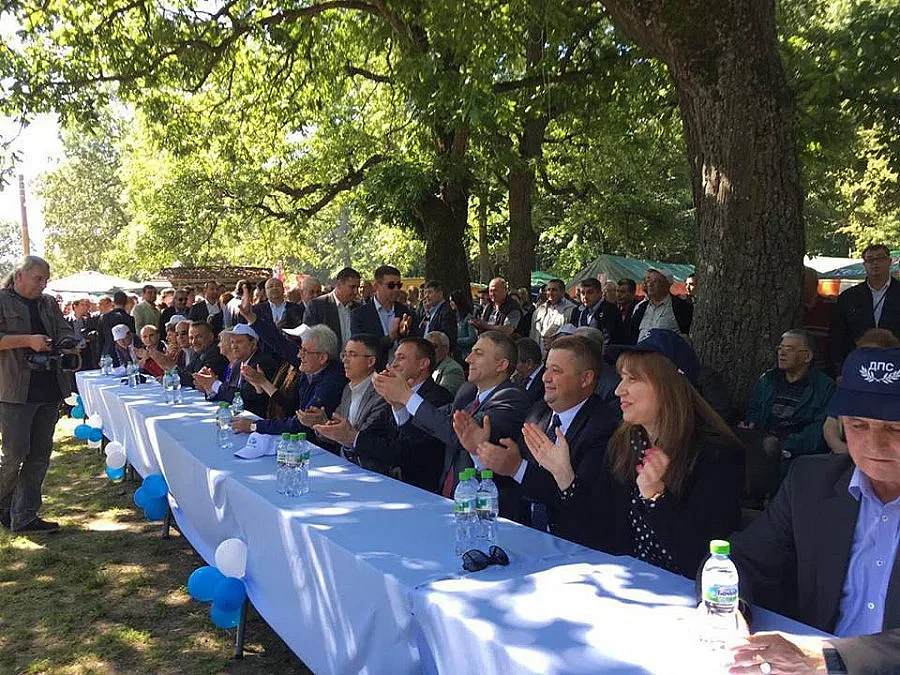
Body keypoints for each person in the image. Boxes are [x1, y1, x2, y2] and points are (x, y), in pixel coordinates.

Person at [726, 346, 900, 675]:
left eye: (895, 429)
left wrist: (830, 658)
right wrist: (730, 610)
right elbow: (742, 558)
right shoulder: (811, 481)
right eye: (859, 425)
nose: (874, 444)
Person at [533, 329, 744, 576]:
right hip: (623, 584)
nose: (618, 390)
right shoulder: (626, 444)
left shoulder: (717, 455)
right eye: (622, 378)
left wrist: (657, 499)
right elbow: (596, 535)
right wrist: (565, 477)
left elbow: (703, 560)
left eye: (632, 379)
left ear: (668, 386)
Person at [471, 336, 620, 539]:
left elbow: (581, 503)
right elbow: (513, 481)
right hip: (523, 533)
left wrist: (518, 468)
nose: (545, 378)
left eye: (556, 371)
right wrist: (481, 453)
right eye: (547, 368)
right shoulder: (538, 412)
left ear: (585, 379)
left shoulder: (604, 428)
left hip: (573, 545)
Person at [373, 330, 530, 519]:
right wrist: (399, 405)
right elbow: (430, 427)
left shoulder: (512, 398)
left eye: (478, 354)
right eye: (471, 352)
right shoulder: (467, 392)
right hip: (449, 499)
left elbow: (460, 435)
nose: (468, 359)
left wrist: (406, 396)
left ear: (501, 365)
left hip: (486, 510)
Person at [0, 256, 79, 533]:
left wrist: (67, 342)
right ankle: (5, 505)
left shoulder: (48, 303)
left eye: (46, 279)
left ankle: (24, 516)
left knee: (39, 457)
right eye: (38, 279)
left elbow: (64, 329)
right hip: (14, 393)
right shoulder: (2, 300)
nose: (43, 284)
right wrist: (28, 341)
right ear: (20, 275)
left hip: (49, 388)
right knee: (13, 456)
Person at [740, 329, 835, 500]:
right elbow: (753, 411)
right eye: (780, 348)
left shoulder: (824, 387)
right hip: (763, 444)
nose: (782, 353)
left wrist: (786, 447)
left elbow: (818, 430)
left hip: (795, 451)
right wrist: (750, 424)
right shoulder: (767, 380)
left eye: (789, 349)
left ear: (807, 356)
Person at [349, 337, 453, 490]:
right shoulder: (393, 393)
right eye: (395, 357)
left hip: (421, 489)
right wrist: (348, 435)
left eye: (401, 358)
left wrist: (352, 437)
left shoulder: (439, 398)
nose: (394, 364)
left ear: (423, 364)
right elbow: (373, 431)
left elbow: (407, 451)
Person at [233, 307, 345, 436]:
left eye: (304, 351)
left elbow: (300, 424)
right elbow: (291, 407)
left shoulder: (331, 381)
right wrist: (251, 317)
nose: (299, 355)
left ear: (323, 358)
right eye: (300, 349)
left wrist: (254, 426)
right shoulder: (310, 368)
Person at [310, 333, 390, 459]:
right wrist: (321, 423)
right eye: (344, 355)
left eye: (352, 355)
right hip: (345, 461)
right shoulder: (347, 389)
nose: (345, 360)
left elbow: (364, 439)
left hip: (368, 465)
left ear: (371, 361)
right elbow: (338, 432)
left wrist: (340, 432)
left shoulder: (382, 392)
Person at [823, 328, 900, 455]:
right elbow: (830, 424)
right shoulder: (849, 385)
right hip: (847, 454)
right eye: (865, 353)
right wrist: (841, 449)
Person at [831, 244, 900, 374]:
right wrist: (839, 371)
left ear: (890, 261)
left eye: (880, 258)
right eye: (870, 260)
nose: (875, 263)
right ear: (864, 264)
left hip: (895, 362)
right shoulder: (848, 297)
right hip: (858, 362)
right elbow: (837, 335)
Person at [350, 265, 414, 361]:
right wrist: (390, 338)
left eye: (399, 285)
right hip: (375, 368)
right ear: (376, 286)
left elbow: (414, 345)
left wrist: (403, 334)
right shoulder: (359, 315)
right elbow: (362, 349)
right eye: (391, 285)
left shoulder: (406, 312)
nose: (396, 289)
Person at [295, 267, 361, 348]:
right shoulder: (317, 306)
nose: (356, 292)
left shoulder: (359, 308)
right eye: (352, 287)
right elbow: (309, 338)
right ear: (339, 285)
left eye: (357, 287)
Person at [631, 269, 693, 342]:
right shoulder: (641, 308)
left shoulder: (681, 307)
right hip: (640, 348)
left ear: (667, 285)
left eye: (655, 281)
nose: (650, 284)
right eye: (648, 281)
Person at [800, 266, 835, 377]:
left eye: (806, 283)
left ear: (815, 284)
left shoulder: (832, 307)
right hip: (799, 367)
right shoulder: (792, 308)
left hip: (825, 368)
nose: (803, 287)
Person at [569, 277, 620, 347]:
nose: (585, 297)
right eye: (583, 293)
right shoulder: (579, 311)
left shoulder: (610, 310)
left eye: (590, 292)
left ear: (600, 293)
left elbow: (609, 340)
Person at [176, 321, 227, 387]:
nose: (194, 342)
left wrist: (171, 367)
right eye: (191, 338)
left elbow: (199, 380)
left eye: (198, 337)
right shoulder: (199, 352)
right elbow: (186, 372)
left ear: (211, 336)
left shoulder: (218, 352)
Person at [530, 279, 575, 352]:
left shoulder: (572, 310)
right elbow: (533, 334)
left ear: (562, 292)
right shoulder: (539, 310)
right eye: (548, 290)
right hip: (539, 353)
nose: (550, 293)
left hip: (558, 352)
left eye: (554, 290)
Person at [417, 281, 457, 353]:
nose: (426, 296)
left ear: (440, 294)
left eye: (430, 292)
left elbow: (447, 338)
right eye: (425, 293)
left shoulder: (446, 312)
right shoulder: (430, 311)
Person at [425, 330, 465, 397]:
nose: (429, 350)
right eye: (426, 347)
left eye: (434, 346)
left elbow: (441, 397)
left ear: (445, 349)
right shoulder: (424, 366)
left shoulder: (454, 370)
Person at [66, 296, 100, 371]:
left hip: (87, 352)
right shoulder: (66, 320)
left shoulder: (88, 320)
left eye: (86, 305)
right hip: (72, 353)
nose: (85, 307)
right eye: (82, 305)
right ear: (75, 306)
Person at [98, 290, 135, 359]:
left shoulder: (104, 318)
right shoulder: (130, 319)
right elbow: (132, 338)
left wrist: (98, 357)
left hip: (107, 353)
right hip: (124, 354)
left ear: (113, 302)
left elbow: (100, 339)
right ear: (126, 302)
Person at [512, 337, 545, 405]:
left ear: (529, 363)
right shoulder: (516, 379)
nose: (513, 366)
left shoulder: (545, 383)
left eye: (516, 362)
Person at [450, 289, 478, 363]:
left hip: (465, 355)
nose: (450, 303)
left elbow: (472, 338)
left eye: (452, 301)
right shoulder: (454, 317)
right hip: (456, 354)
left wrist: (456, 340)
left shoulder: (468, 318)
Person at [615, 278, 638, 344]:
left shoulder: (639, 309)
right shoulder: (613, 309)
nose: (618, 295)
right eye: (617, 291)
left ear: (632, 293)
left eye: (622, 292)